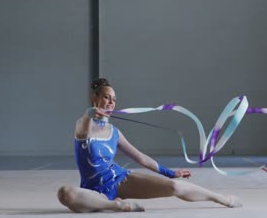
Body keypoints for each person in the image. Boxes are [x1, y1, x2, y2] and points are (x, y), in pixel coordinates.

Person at [57, 78, 242, 212]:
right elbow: (84, 122)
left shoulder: (114, 132)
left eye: (114, 99)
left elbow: (141, 158)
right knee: (66, 193)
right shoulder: (83, 127)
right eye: (106, 98)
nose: (111, 103)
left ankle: (222, 198)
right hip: (91, 191)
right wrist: (90, 113)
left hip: (120, 181)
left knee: (174, 187)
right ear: (94, 99)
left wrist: (171, 172)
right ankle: (116, 205)